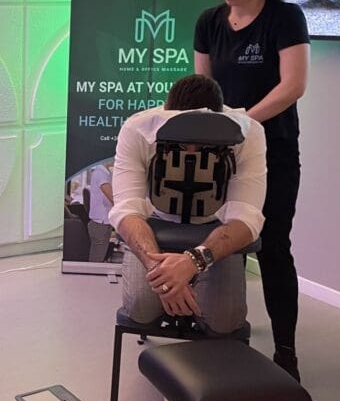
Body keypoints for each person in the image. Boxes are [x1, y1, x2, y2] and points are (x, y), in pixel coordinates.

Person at [194, 0, 310, 380]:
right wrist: (215, 129)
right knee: (225, 244)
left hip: (273, 150)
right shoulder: (209, 22)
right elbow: (204, 89)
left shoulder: (285, 17)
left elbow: (293, 86)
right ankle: (223, 334)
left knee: (275, 248)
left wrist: (241, 123)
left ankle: (286, 354)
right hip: (224, 155)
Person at [109, 74, 266, 335]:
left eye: (203, 141)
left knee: (224, 322)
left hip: (214, 228)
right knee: (141, 310)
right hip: (157, 226)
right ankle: (181, 290)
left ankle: (200, 299)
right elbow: (127, 210)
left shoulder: (248, 135)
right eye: (183, 141)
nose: (191, 149)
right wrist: (161, 273)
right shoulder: (138, 129)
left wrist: (194, 261)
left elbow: (246, 218)